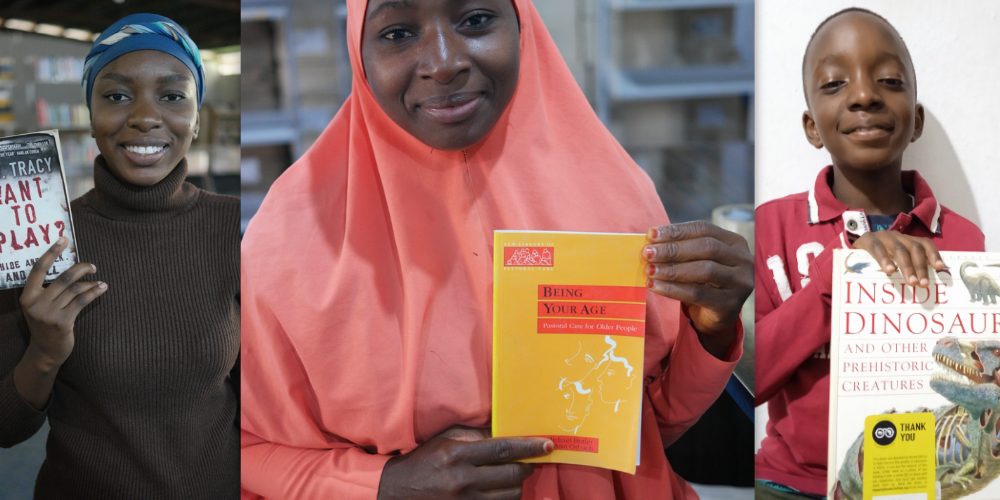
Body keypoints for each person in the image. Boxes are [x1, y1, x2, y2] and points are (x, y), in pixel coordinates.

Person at [240, 0, 753, 499]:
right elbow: (242, 448)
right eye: (397, 33)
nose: (444, 63)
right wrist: (382, 485)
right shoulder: (288, 243)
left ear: (523, 25)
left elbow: (645, 426)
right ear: (359, 50)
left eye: (476, 19)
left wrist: (711, 329)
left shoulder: (613, 193)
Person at [0, 14, 239, 499]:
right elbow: (6, 428)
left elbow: (273, 406)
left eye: (172, 96)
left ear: (197, 115)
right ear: (90, 114)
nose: (145, 117)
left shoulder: (237, 228)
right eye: (116, 95)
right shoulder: (41, 243)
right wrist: (44, 353)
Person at [754, 8, 985, 499]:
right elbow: (747, 381)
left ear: (915, 120)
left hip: (918, 479)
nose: (864, 94)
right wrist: (829, 282)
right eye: (835, 85)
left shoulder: (964, 241)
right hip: (794, 484)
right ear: (812, 127)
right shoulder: (770, 229)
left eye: (888, 79)